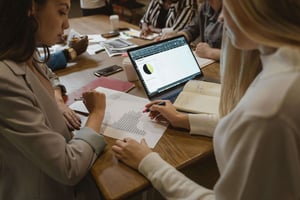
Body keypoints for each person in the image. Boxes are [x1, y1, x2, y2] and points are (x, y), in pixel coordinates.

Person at [112, 0, 300, 199]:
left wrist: (148, 162)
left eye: (228, 8)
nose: (220, 18)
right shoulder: (281, 70)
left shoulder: (268, 109)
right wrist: (183, 120)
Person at [0, 0, 108, 199]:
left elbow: (49, 73)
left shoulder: (27, 53)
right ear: (31, 8)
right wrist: (97, 114)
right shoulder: (5, 80)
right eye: (61, 12)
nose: (66, 25)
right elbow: (68, 167)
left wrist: (57, 100)